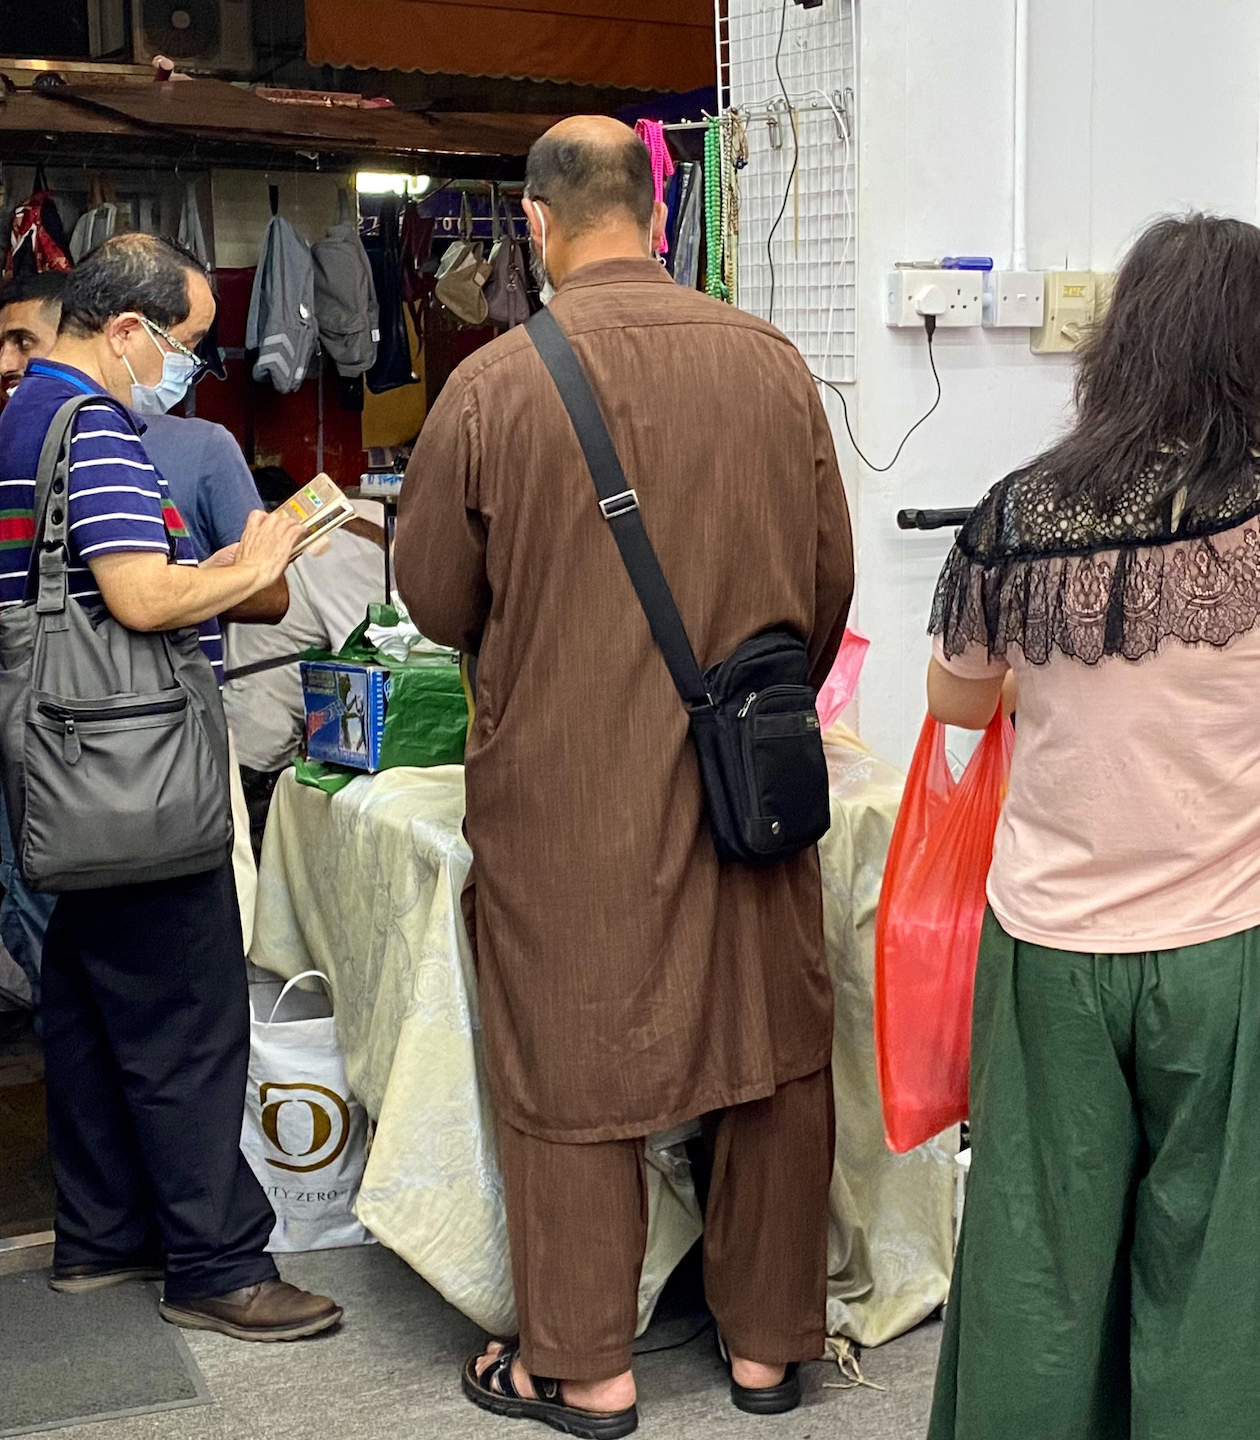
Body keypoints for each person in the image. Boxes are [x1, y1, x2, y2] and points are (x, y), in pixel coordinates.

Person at [922, 214, 1260, 1440]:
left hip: (1050, 943)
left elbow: (957, 702)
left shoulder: (1019, 514)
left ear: (1119, 344)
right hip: (1244, 948)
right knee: (1235, 1293)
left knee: (1038, 1275)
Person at [398, 116, 854, 1437]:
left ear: (535, 227)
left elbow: (434, 599)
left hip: (569, 790)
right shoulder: (772, 363)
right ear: (659, 213)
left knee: (572, 1058)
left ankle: (586, 1368)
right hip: (749, 782)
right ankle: (768, 1349)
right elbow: (826, 588)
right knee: (770, 1049)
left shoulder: (495, 386)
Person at [0, 232, 341, 1340]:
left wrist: (225, 569)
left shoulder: (24, 418)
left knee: (90, 1005)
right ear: (127, 329)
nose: (191, 367)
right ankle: (217, 1265)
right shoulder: (94, 425)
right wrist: (255, 564)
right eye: (188, 343)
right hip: (136, 765)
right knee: (188, 1013)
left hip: (73, 764)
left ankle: (104, 1235)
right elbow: (138, 598)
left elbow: (85, 591)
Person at [0, 271, 286, 989]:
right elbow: (55, 616)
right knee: (154, 988)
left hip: (137, 746)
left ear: (83, 330)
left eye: (24, 342)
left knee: (108, 981)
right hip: (108, 752)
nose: (8, 363)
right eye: (1, 344)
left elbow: (265, 599)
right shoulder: (57, 432)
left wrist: (211, 575)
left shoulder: (186, 444)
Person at [223, 466, 387, 858]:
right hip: (261, 746)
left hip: (240, 725)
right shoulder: (351, 550)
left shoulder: (345, 525)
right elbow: (366, 653)